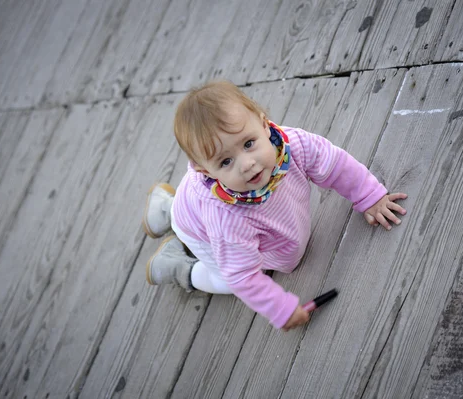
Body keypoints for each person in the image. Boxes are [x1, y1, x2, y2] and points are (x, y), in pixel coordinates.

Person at [142, 80, 407, 331]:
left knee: (190, 213)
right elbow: (243, 276)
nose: (247, 164)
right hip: (199, 228)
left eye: (248, 144)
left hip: (196, 206)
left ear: (263, 123)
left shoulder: (293, 145)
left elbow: (334, 164)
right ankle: (178, 266)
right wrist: (280, 308)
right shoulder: (226, 219)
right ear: (204, 170)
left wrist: (369, 195)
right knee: (224, 279)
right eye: (225, 162)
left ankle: (165, 209)